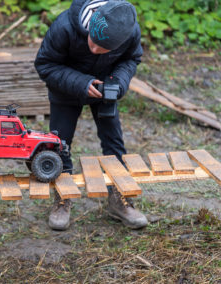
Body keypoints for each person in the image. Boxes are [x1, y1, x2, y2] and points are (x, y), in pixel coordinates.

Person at [34, 0, 148, 230]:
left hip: (106, 89)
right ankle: (62, 198)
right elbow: (45, 64)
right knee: (59, 143)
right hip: (65, 90)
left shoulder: (129, 31)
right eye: (92, 42)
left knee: (114, 142)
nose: (94, 50)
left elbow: (131, 59)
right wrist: (81, 82)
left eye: (103, 48)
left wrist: (118, 82)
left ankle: (120, 199)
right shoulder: (64, 27)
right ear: (90, 26)